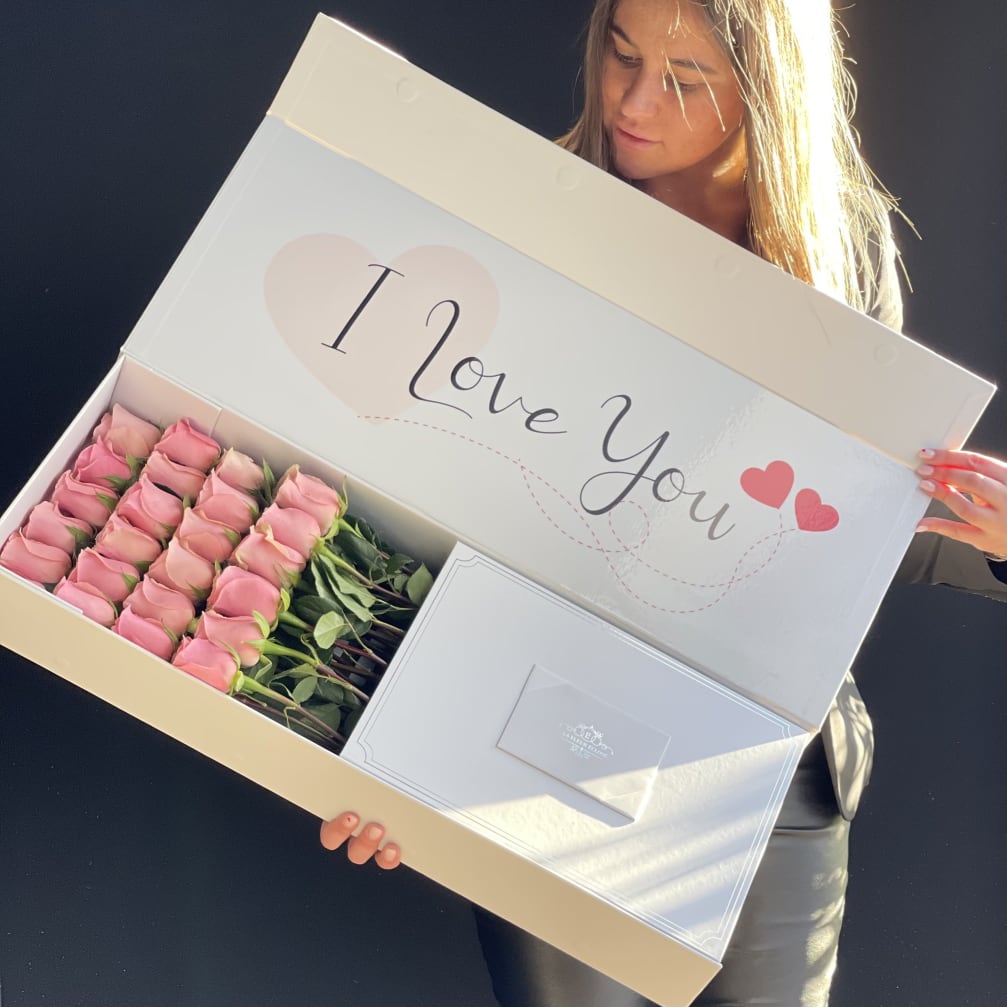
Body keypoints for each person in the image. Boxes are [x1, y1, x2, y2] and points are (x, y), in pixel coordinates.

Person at [320, 1, 1007, 1004]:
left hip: (763, 775)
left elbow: (826, 535)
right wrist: (382, 747)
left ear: (765, 95)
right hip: (530, 748)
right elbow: (420, 498)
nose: (633, 101)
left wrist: (993, 538)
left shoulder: (831, 265)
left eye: (684, 79)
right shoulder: (519, 220)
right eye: (620, 53)